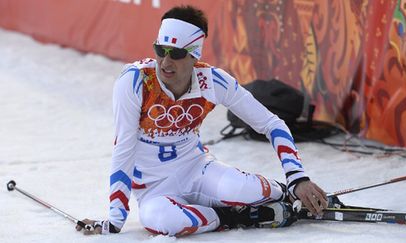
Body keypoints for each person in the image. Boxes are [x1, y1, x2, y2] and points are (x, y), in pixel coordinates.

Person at [76, 5, 327, 237]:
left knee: (240, 191)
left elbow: (272, 124)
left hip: (197, 170)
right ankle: (235, 215)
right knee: (162, 222)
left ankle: (283, 193)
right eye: (160, 50)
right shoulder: (135, 81)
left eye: (176, 53)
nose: (165, 61)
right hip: (154, 189)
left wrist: (297, 179)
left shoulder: (213, 81)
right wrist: (115, 219)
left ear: (195, 56)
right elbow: (123, 148)